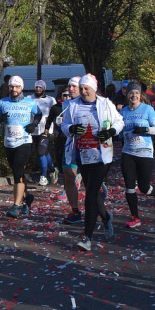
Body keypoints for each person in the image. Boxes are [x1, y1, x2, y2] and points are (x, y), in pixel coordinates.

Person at [61, 74, 124, 250]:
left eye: (86, 88)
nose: (82, 91)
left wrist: (111, 132)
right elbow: (64, 126)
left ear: (93, 89)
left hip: (102, 156)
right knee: (92, 191)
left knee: (90, 195)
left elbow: (120, 122)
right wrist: (71, 129)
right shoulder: (71, 105)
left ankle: (87, 238)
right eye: (81, 88)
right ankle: (105, 217)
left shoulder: (105, 104)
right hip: (82, 155)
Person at [0, 75, 42, 218]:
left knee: (18, 173)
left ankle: (16, 205)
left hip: (24, 141)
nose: (14, 89)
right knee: (16, 172)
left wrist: (34, 124)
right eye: (11, 87)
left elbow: (39, 114)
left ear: (22, 88)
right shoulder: (3, 102)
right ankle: (27, 198)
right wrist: (0, 119)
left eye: (16, 87)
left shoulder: (29, 102)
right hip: (9, 142)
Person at [118, 81, 155, 228]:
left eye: (137, 93)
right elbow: (118, 130)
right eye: (131, 93)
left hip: (145, 152)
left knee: (144, 187)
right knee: (129, 186)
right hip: (128, 152)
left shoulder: (147, 110)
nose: (134, 95)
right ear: (127, 95)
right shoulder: (123, 112)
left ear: (140, 95)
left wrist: (145, 130)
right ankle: (135, 217)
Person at [56, 76, 85, 224]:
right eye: (69, 86)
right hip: (71, 144)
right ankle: (75, 210)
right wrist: (65, 126)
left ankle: (98, 209)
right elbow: (65, 126)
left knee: (90, 180)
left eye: (74, 86)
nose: (71, 89)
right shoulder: (65, 104)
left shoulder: (93, 103)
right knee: (68, 175)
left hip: (89, 146)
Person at [31, 79, 57, 185]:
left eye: (40, 87)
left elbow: (55, 114)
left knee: (41, 151)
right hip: (34, 130)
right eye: (36, 87)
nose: (38, 89)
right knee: (44, 152)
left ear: (44, 89)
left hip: (46, 129)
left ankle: (43, 176)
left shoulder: (51, 100)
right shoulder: (29, 99)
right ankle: (52, 170)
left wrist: (54, 129)